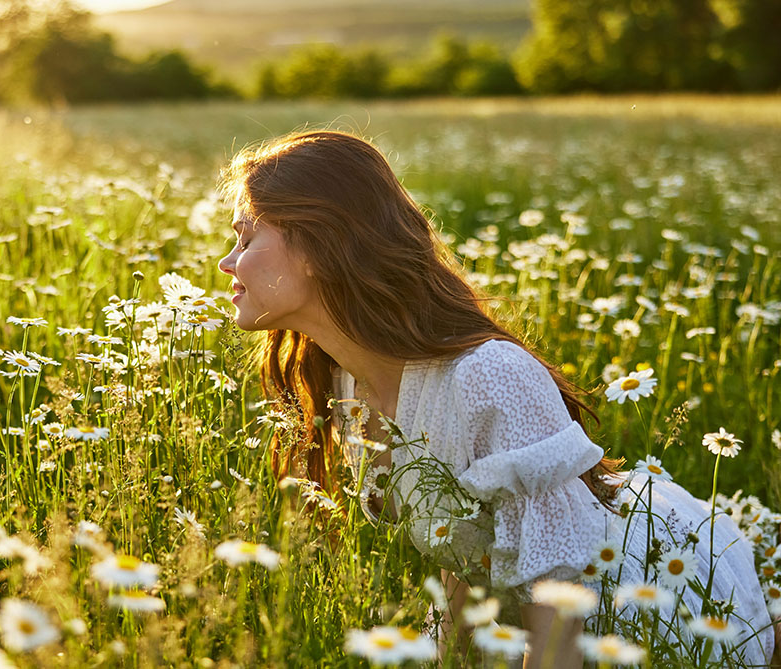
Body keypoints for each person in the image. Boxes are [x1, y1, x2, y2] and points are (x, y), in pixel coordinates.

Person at [215, 129, 779, 667]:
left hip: (637, 597)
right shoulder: (341, 385)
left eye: (246, 237)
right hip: (510, 613)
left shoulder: (487, 377)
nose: (227, 262)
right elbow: (461, 551)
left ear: (320, 243)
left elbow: (565, 592)